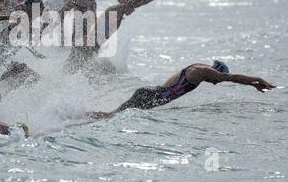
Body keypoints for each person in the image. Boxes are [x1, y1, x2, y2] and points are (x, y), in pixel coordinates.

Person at [88, 61, 276, 119]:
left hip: (151, 96)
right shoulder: (201, 71)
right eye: (217, 80)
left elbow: (229, 79)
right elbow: (233, 78)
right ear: (216, 73)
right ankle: (80, 115)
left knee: (111, 115)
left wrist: (253, 85)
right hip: (149, 96)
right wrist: (256, 80)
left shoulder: (202, 72)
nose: (216, 83)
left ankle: (83, 115)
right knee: (110, 116)